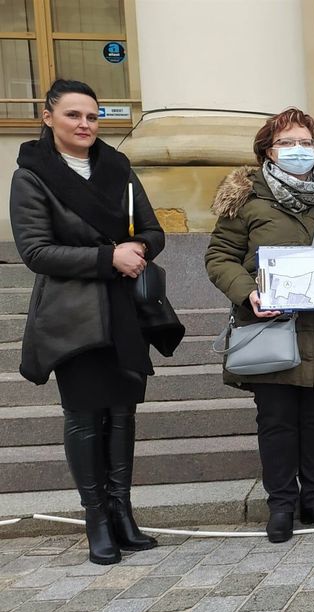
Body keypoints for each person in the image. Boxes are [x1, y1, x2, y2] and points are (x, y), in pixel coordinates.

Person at [10, 79, 170, 564]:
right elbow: (35, 251)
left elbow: (152, 230)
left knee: (122, 413)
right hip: (72, 315)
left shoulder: (117, 167)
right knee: (84, 416)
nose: (84, 125)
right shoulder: (32, 175)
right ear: (48, 117)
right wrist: (109, 258)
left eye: (92, 117)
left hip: (124, 312)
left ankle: (123, 512)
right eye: (74, 115)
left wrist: (137, 249)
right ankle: (95, 518)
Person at [205, 107, 314, 543]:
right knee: (275, 422)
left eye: (305, 142)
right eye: (286, 143)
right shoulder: (246, 200)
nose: (297, 150)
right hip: (269, 328)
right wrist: (248, 291)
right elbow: (219, 257)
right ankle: (280, 504)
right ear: (267, 151)